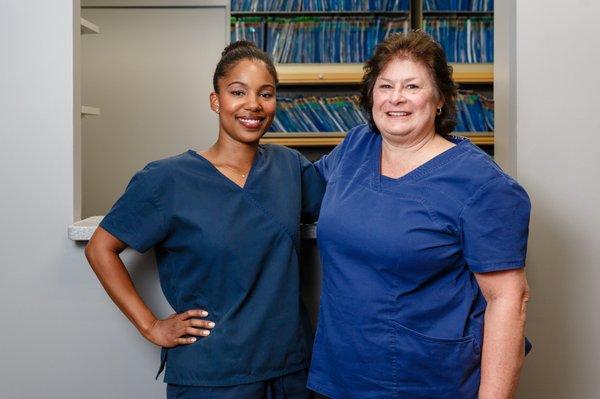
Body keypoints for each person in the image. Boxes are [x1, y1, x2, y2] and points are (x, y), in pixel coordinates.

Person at [85, 41, 323, 399]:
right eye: (237, 92)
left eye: (266, 93)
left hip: (289, 369)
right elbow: (100, 248)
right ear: (216, 101)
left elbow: (347, 212)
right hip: (211, 375)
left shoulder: (291, 168)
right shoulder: (167, 179)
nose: (253, 105)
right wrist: (150, 325)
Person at [307, 30, 531, 399]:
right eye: (385, 86)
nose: (396, 99)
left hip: (426, 381)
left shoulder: (482, 185)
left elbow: (508, 301)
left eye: (412, 86)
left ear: (440, 98)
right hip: (340, 374)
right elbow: (295, 190)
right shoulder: (357, 146)